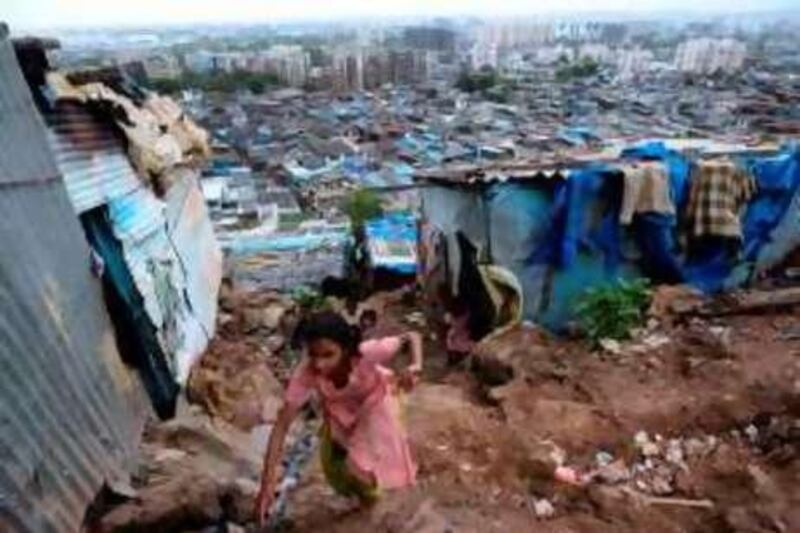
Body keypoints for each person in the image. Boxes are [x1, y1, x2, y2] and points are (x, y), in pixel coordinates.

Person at [255, 311, 423, 525]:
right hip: (341, 412)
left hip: (376, 403)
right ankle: (367, 497)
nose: (319, 364)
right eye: (313, 355)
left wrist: (416, 365)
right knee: (333, 466)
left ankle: (379, 502)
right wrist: (267, 484)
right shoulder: (306, 373)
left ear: (345, 349)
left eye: (328, 355)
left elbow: (412, 336)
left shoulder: (368, 353)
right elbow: (281, 426)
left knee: (361, 461)